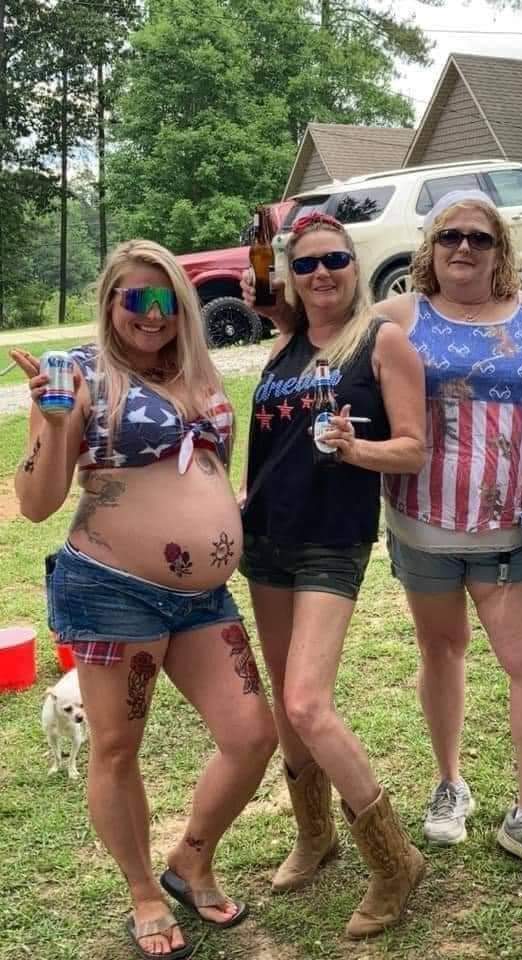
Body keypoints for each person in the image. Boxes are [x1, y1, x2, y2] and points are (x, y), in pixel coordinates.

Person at [13, 240, 277, 960]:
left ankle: (190, 862)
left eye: (165, 301)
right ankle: (142, 893)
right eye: (136, 300)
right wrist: (54, 426)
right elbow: (36, 503)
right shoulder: (83, 375)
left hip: (202, 600)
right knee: (118, 747)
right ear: (110, 305)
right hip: (112, 593)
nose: (151, 315)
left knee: (253, 734)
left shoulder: (196, 370)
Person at [373, 190, 522, 878]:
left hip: (510, 530)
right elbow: (327, 344)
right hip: (420, 525)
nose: (463, 247)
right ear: (429, 247)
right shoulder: (399, 314)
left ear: (500, 250)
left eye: (479, 238)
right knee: (442, 648)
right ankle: (451, 782)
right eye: (449, 235)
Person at [240, 212, 427, 938]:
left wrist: (357, 451)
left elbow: (412, 449)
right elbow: (261, 285)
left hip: (331, 541)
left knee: (310, 704)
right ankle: (314, 836)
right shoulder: (286, 337)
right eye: (308, 262)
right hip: (265, 540)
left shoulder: (383, 342)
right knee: (288, 710)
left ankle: (394, 861)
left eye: (335, 260)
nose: (323, 273)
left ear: (356, 265)